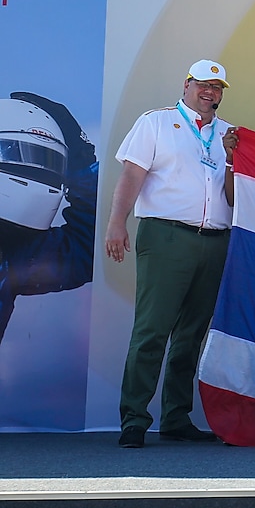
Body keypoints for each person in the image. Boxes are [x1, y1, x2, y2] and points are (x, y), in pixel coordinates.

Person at [105, 60, 236, 448]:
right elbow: (131, 176)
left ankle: (176, 417)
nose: (210, 92)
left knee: (192, 334)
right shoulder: (155, 123)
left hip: (214, 240)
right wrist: (117, 223)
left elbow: (234, 192)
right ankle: (134, 419)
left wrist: (232, 157)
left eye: (217, 87)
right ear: (187, 84)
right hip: (166, 236)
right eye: (203, 85)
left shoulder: (229, 133)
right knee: (152, 330)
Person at [0, 93, 98, 344]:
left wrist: (82, 158)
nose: (36, 169)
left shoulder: (17, 250)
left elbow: (87, 251)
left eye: (48, 160)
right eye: (18, 153)